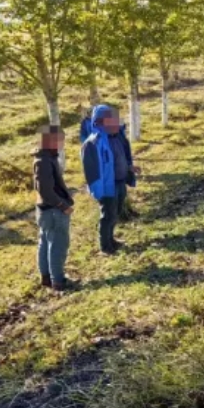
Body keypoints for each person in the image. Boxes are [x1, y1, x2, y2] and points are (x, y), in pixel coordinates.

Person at [81, 105, 141, 255]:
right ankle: (105, 246)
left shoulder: (118, 137)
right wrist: (97, 189)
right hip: (107, 186)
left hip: (120, 182)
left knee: (116, 212)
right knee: (107, 215)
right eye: (112, 121)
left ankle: (111, 239)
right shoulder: (92, 143)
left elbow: (122, 158)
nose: (117, 123)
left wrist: (129, 167)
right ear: (101, 122)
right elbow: (91, 170)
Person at [34, 125, 75, 291]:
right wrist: (62, 205)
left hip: (45, 210)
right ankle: (58, 280)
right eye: (60, 140)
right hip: (53, 211)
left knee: (45, 243)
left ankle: (46, 277)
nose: (62, 143)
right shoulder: (43, 162)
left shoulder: (45, 157)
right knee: (58, 245)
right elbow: (44, 189)